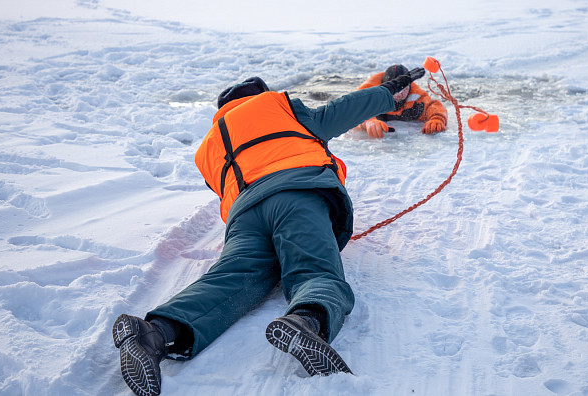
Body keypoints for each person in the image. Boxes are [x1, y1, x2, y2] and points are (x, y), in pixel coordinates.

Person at [112, 68, 425, 396]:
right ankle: (305, 320)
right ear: (260, 93)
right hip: (298, 192)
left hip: (245, 215)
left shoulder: (209, 145)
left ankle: (154, 332)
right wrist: (389, 90)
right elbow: (342, 110)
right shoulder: (277, 106)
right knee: (315, 270)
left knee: (233, 278)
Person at [354, 64, 448, 138]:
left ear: (410, 87)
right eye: (395, 89)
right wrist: (367, 121)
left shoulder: (417, 101)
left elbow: (433, 106)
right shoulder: (369, 96)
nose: (399, 94)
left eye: (404, 89)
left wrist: (437, 118)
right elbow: (354, 110)